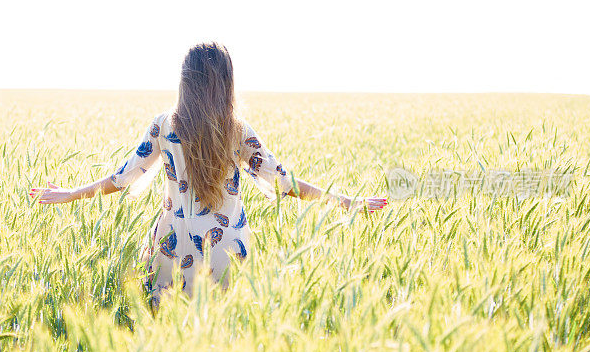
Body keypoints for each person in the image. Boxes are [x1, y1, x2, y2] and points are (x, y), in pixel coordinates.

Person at [30, 42, 387, 307]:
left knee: (168, 342)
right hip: (227, 250)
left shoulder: (163, 124)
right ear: (226, 82)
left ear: (185, 81)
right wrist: (347, 202)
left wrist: (69, 193)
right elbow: (285, 183)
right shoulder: (237, 130)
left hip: (173, 247)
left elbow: (121, 178)